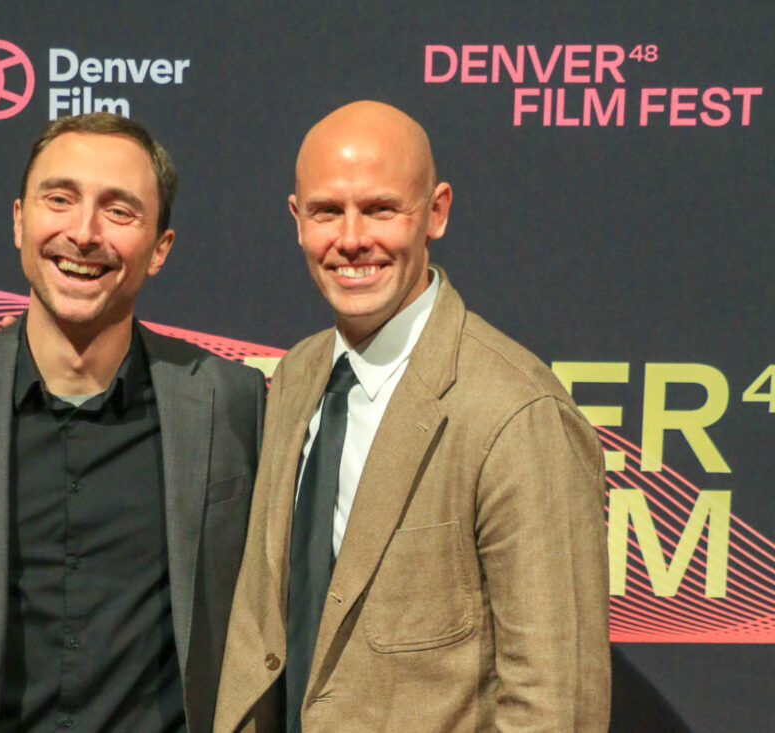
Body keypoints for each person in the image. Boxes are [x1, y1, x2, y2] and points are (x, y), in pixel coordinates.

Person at [0, 112, 265, 733]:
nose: (84, 232)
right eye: (60, 199)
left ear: (160, 249)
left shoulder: (231, 401)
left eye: (119, 211)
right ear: (20, 220)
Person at [214, 101, 611, 731]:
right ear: (297, 220)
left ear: (437, 211)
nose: (351, 239)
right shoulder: (297, 374)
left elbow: (557, 705)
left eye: (380, 209)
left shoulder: (516, 411)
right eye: (327, 211)